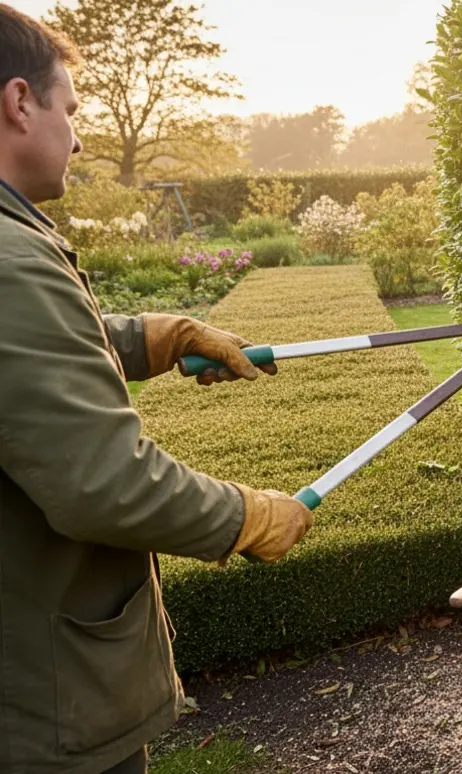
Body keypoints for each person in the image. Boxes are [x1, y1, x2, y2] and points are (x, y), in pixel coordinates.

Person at [0, 6, 316, 772]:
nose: (76, 138)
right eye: (68, 111)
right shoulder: (10, 260)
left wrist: (159, 336)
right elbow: (101, 483)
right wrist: (244, 517)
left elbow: (29, 362)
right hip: (44, 718)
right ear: (18, 103)